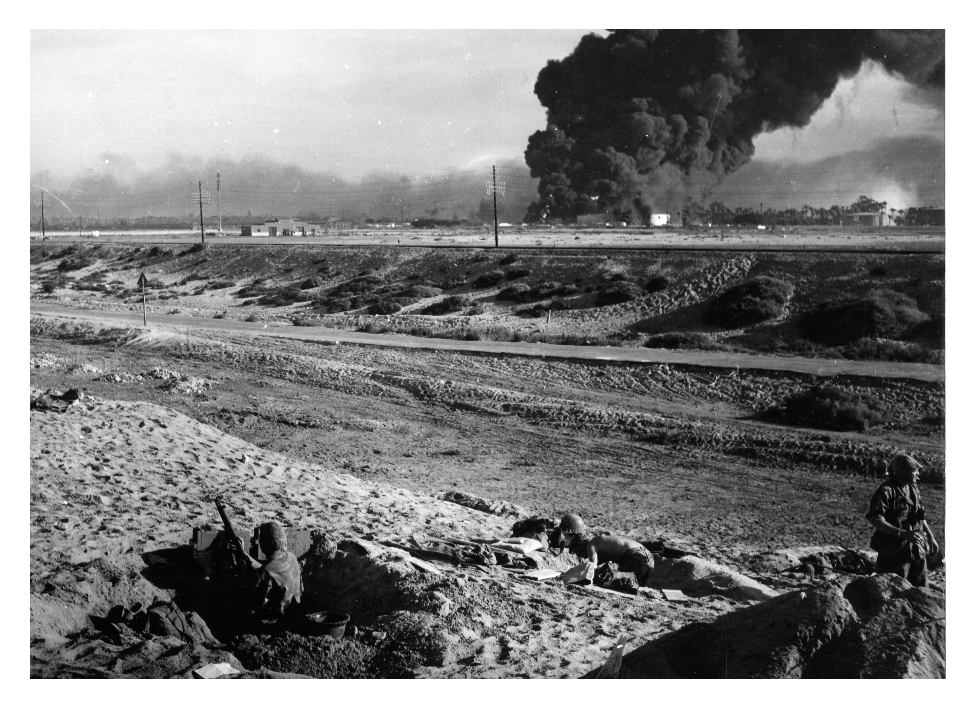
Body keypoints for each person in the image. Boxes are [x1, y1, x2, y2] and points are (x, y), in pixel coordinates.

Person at [866, 453, 940, 588]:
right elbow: (876, 519)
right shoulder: (886, 492)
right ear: (901, 471)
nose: (918, 474)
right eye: (914, 470)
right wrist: (902, 533)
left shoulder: (913, 489)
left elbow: (919, 515)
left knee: (921, 589)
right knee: (896, 590)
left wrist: (930, 536)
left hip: (916, 549)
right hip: (894, 553)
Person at [227, 521, 303, 621]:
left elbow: (255, 603)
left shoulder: (265, 573)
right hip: (292, 612)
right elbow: (267, 568)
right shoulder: (290, 556)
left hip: (275, 621)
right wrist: (243, 553)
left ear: (263, 544)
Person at [558, 514, 655, 586]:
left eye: (576, 551)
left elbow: (592, 567)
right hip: (648, 557)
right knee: (636, 584)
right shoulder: (601, 543)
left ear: (579, 543)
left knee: (613, 582)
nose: (580, 555)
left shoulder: (592, 545)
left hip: (635, 557)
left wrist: (571, 576)